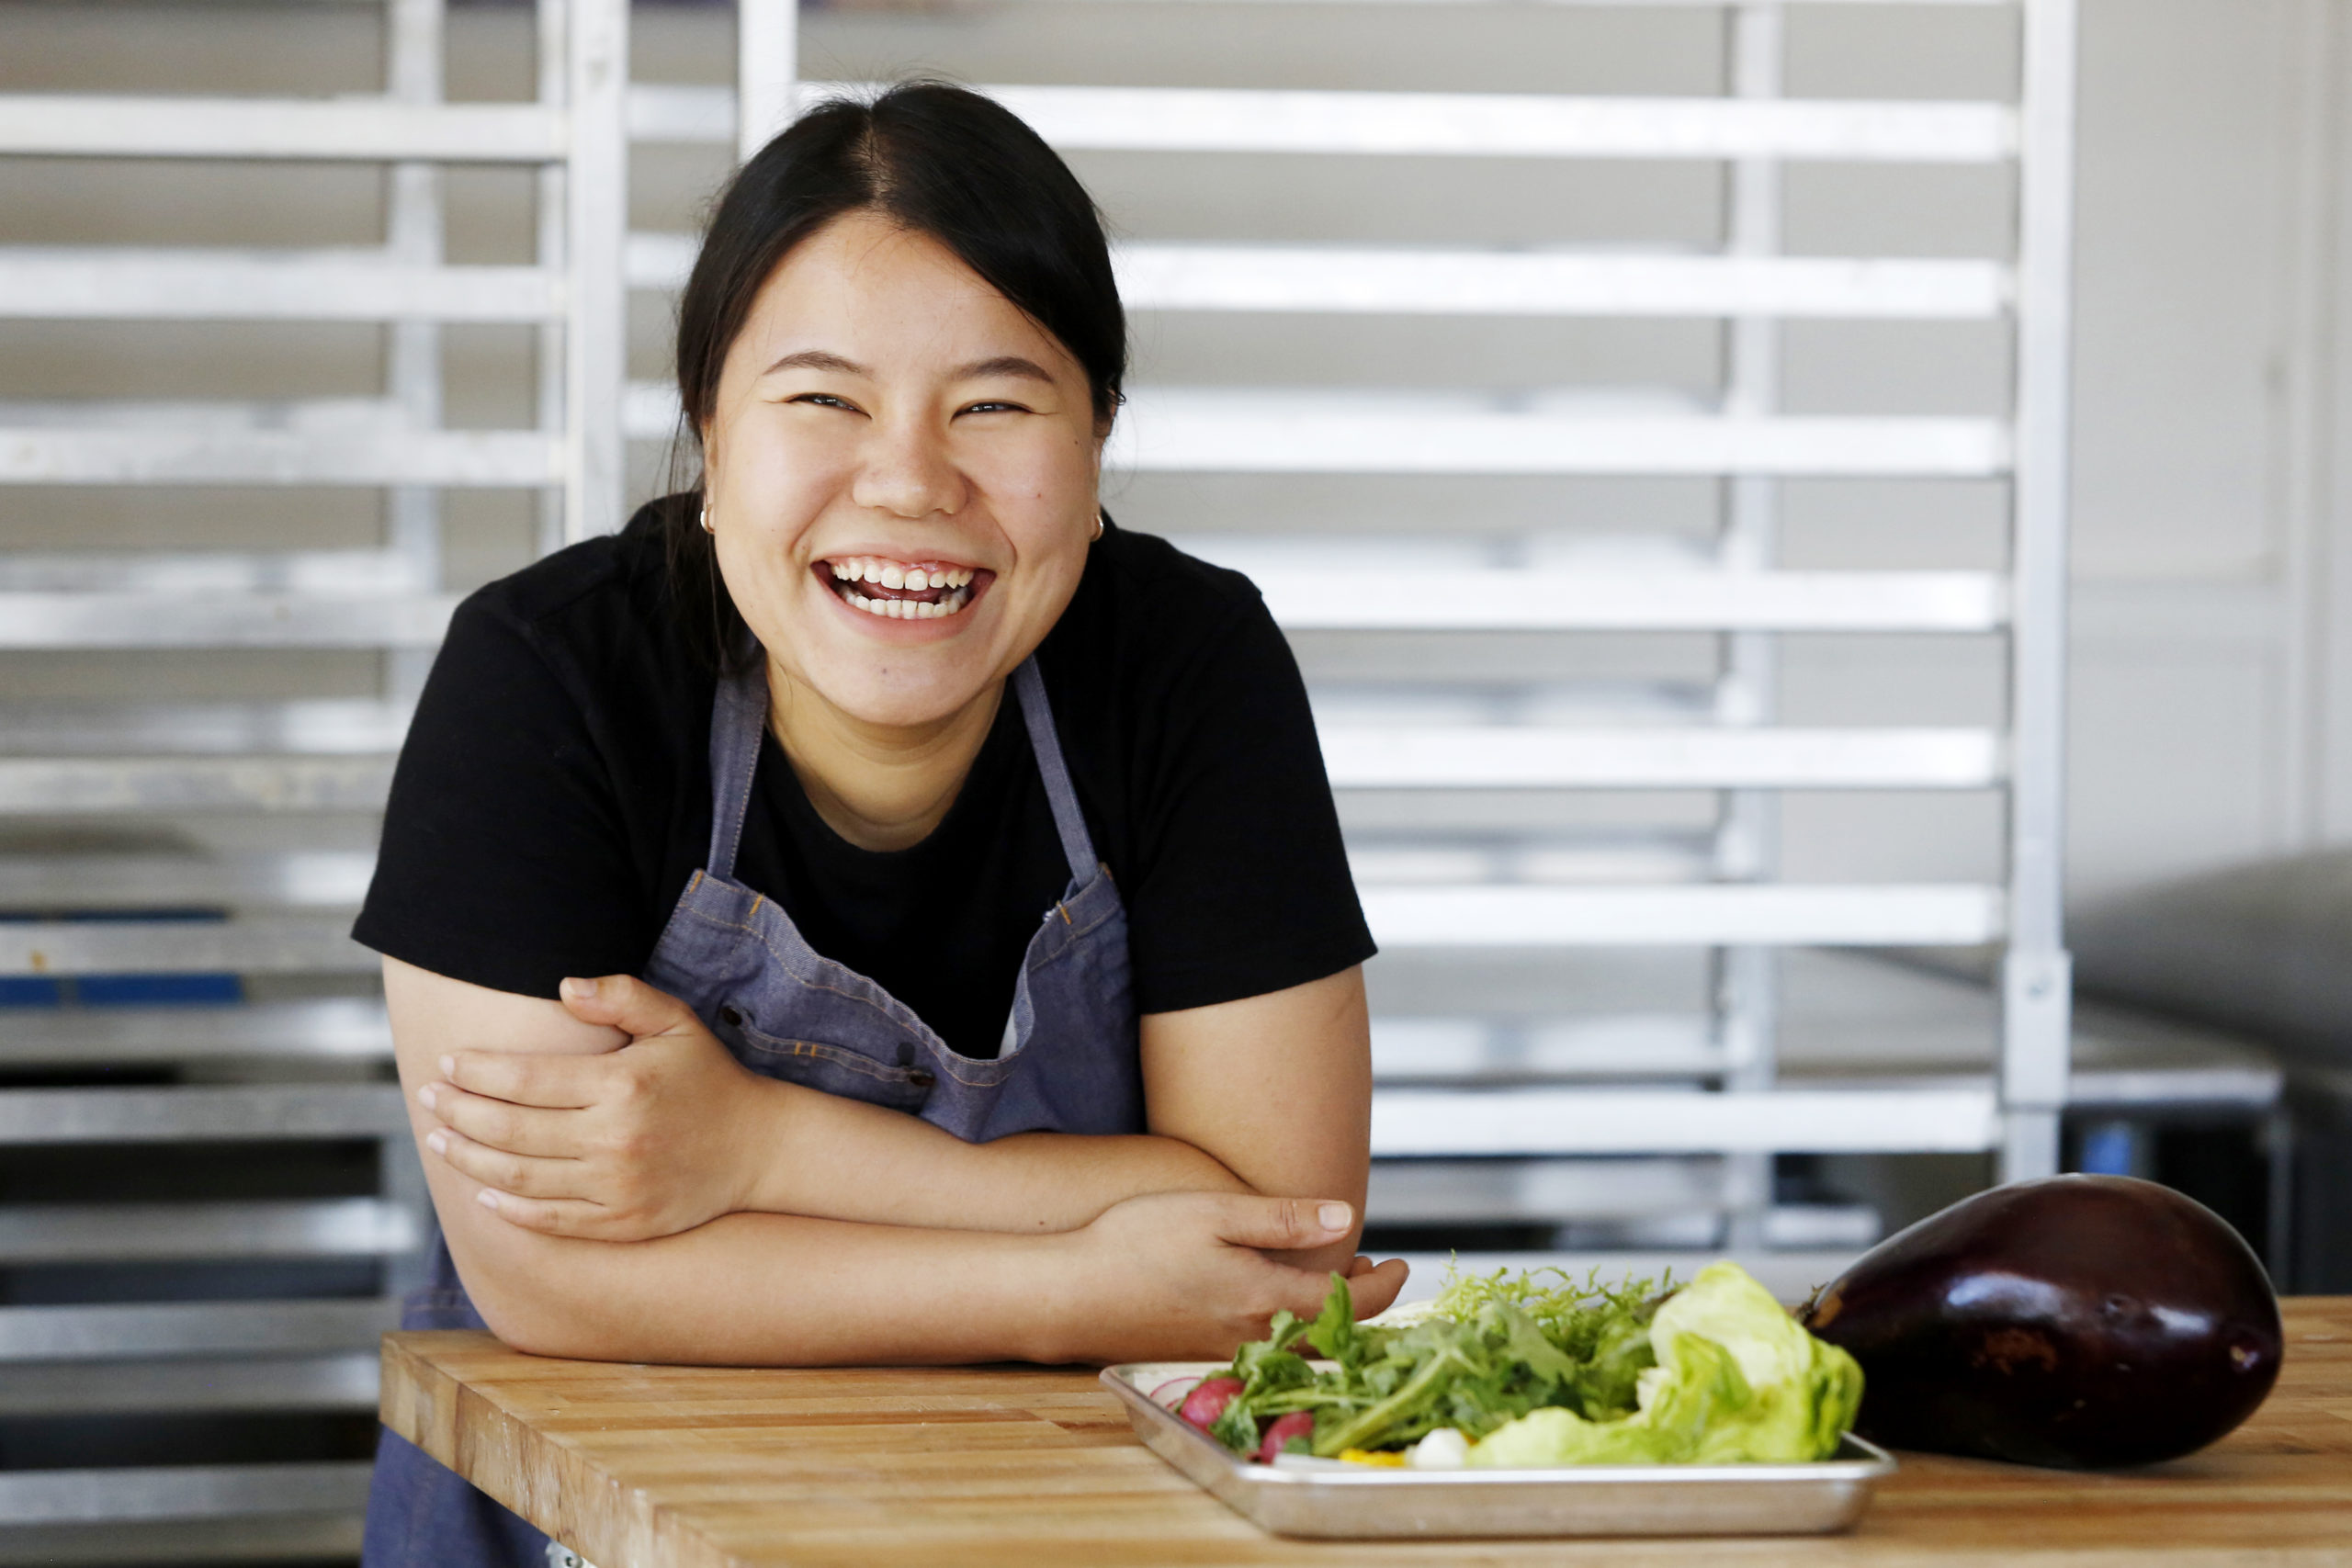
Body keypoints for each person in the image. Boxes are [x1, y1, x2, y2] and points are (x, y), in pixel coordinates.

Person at [354, 81, 1407, 1566]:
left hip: (1056, 1518)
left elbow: (1275, 1225)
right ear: (710, 437)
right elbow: (552, 1278)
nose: (910, 480)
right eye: (822, 400)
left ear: (1096, 442)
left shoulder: (1190, 666)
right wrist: (1082, 1282)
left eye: (994, 402)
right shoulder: (550, 675)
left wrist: (760, 1150)